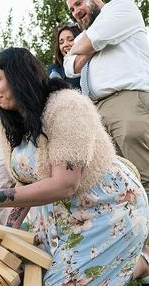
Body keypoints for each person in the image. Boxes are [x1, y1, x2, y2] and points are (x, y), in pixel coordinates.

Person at [0, 47, 149, 286]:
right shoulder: (8, 123)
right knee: (26, 283)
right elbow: (22, 181)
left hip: (105, 208)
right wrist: (5, 235)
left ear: (19, 76)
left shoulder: (67, 107)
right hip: (57, 214)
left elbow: (66, 184)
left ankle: (142, 263)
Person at [64, 0, 149, 197]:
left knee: (144, 177)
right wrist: (91, 45)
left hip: (127, 100)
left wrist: (86, 46)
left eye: (78, 3)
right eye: (72, 9)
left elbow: (89, 43)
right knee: (124, 185)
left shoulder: (121, 7)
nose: (76, 12)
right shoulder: (88, 32)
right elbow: (70, 67)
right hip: (98, 111)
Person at [48, 23, 81, 89]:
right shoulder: (54, 70)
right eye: (61, 42)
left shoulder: (91, 63)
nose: (65, 45)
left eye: (71, 40)